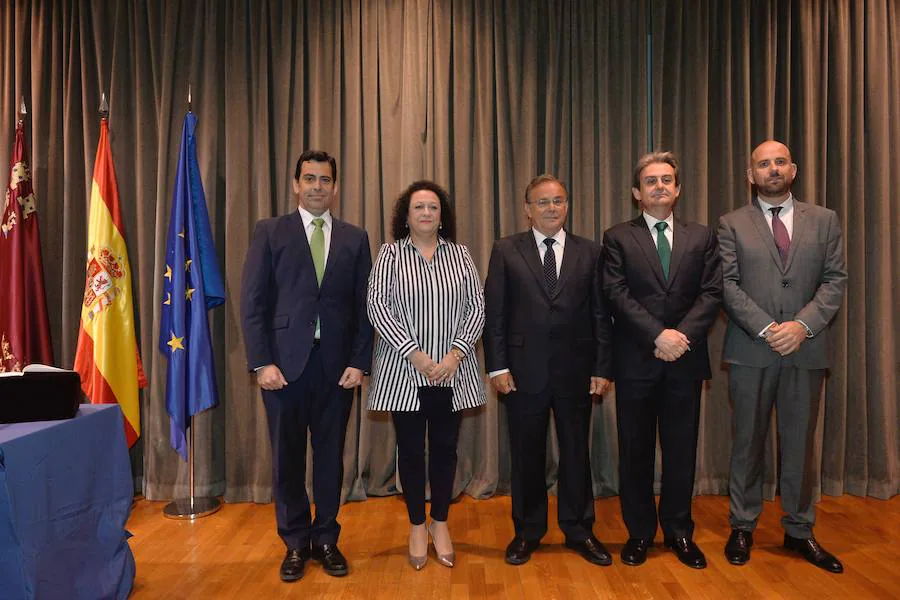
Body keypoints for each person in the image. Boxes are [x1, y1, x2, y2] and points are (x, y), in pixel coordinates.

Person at [240, 150, 374, 582]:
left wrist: (360, 361)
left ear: (336, 187)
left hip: (337, 370)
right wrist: (261, 361)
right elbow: (254, 303)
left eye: (325, 180)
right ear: (295, 184)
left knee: (331, 458)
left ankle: (327, 540)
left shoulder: (355, 238)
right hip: (283, 369)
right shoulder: (270, 231)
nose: (318, 186)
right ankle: (295, 543)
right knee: (288, 459)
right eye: (310, 179)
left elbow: (365, 307)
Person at [718, 140, 847, 573]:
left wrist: (801, 326)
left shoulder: (825, 220)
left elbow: (834, 280)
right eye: (762, 164)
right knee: (747, 442)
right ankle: (742, 526)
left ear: (793, 170)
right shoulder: (730, 224)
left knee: (799, 444)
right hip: (751, 349)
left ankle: (799, 530)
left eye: (778, 162)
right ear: (750, 175)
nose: (771, 169)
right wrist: (770, 329)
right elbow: (728, 285)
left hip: (805, 350)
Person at [483, 174, 614, 567]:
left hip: (577, 371)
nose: (552, 208)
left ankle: (579, 530)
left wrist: (601, 366)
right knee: (527, 455)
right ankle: (527, 532)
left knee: (576, 454)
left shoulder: (589, 252)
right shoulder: (506, 250)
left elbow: (600, 314)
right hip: (522, 372)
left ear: (567, 205)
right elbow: (496, 315)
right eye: (543, 202)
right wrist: (497, 367)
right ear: (528, 209)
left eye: (558, 201)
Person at [602, 151, 723, 569]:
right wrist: (658, 334)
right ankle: (639, 533)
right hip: (638, 359)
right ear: (637, 192)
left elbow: (712, 292)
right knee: (634, 450)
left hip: (685, 361)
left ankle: (678, 532)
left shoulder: (702, 236)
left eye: (667, 180)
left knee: (681, 450)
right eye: (650, 181)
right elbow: (616, 293)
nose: (659, 186)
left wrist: (681, 337)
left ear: (678, 189)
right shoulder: (617, 237)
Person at [366, 180, 486, 571]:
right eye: (418, 207)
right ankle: (417, 524)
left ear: (442, 215)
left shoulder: (460, 255)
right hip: (406, 372)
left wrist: (455, 354)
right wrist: (415, 354)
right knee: (412, 452)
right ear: (406, 214)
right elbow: (378, 306)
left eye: (433, 208)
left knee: (446, 451)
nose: (426, 214)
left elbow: (476, 308)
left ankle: (440, 523)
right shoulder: (390, 254)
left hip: (453, 372)